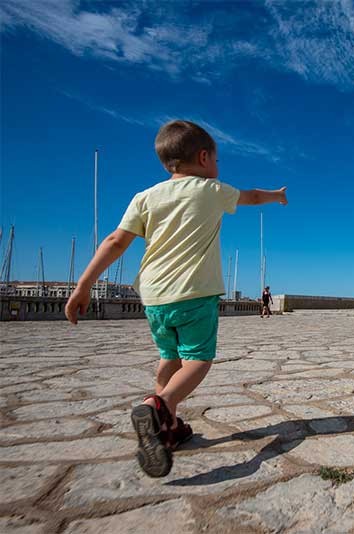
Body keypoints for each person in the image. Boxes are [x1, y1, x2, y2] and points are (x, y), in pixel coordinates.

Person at [65, 120, 288, 478]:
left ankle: (167, 426)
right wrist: (277, 195)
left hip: (153, 298)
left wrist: (84, 285)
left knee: (169, 355)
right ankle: (160, 406)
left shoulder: (145, 198)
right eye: (217, 159)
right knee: (198, 360)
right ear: (203, 157)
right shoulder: (211, 189)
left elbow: (115, 242)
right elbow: (252, 197)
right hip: (194, 293)